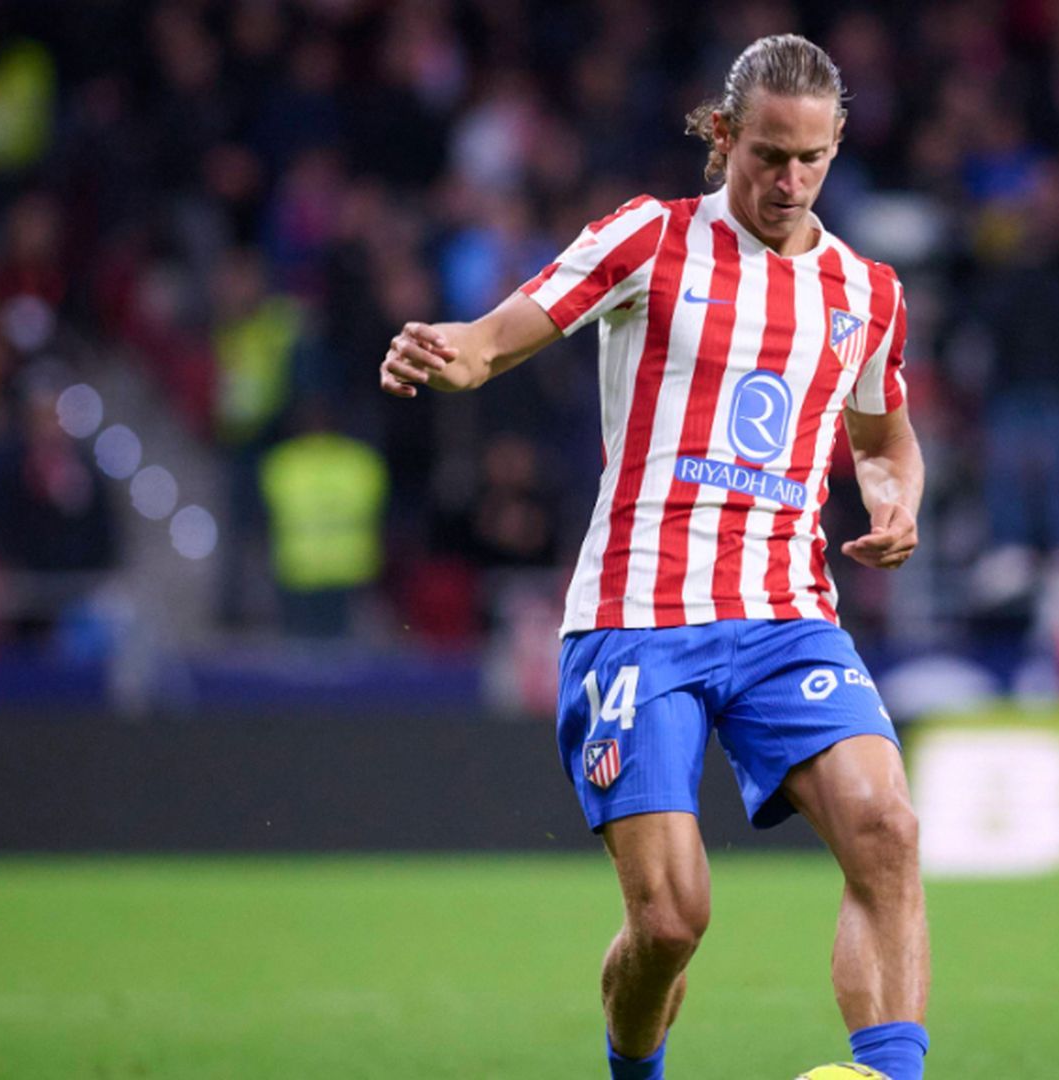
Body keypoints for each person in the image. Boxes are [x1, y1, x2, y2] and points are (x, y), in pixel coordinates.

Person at [379, 35, 930, 1080]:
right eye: (770, 154)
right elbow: (495, 337)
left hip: (787, 613)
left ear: (839, 147)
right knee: (673, 920)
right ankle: (635, 1072)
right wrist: (444, 352)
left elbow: (881, 432)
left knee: (886, 831)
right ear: (722, 137)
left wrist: (896, 497)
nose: (791, 180)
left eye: (813, 158)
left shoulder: (868, 292)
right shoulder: (648, 239)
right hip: (641, 617)